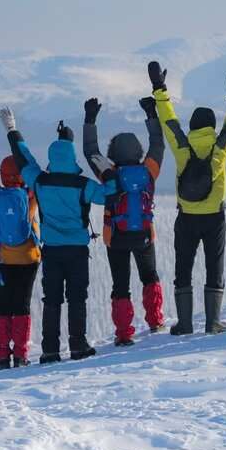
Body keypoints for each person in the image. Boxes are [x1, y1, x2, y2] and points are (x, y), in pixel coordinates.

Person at [0, 107, 115, 362]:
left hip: (50, 250)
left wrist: (12, 129)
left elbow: (23, 159)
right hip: (76, 250)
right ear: (72, 157)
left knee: (51, 299)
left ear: (52, 157)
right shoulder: (83, 185)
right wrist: (107, 169)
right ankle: (78, 346)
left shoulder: (40, 181)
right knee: (77, 298)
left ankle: (50, 349)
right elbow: (110, 193)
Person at [150, 59, 226, 335]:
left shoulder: (183, 146)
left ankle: (184, 323)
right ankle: (213, 322)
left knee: (183, 267)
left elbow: (168, 122)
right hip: (215, 217)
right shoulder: (220, 147)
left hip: (187, 217)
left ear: (192, 126)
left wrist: (160, 88)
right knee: (214, 267)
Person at [82, 95, 166, 345]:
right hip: (143, 234)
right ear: (137, 151)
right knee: (149, 276)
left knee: (120, 284)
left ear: (114, 152)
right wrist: (151, 114)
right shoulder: (148, 171)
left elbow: (90, 152)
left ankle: (124, 333)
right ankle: (155, 320)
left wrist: (90, 119)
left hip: (116, 237)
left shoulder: (109, 173)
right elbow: (158, 144)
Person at [0, 122, 41, 368]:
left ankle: (3, 355)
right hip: (29, 256)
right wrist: (14, 133)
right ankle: (21, 353)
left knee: (4, 305)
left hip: (5, 258)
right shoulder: (30, 194)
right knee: (23, 305)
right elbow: (33, 167)